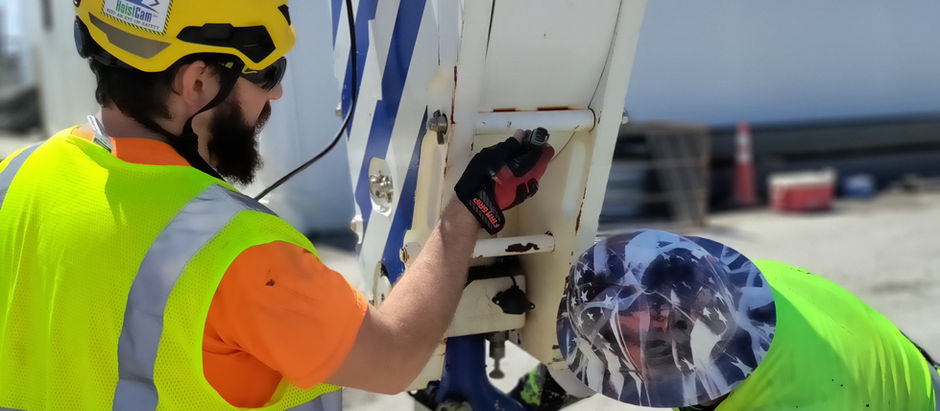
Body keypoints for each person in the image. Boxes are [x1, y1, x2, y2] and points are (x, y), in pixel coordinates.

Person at [0, 1, 553, 409]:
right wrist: (465, 216)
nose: (277, 95)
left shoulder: (17, 178)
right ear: (196, 82)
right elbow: (395, 359)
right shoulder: (236, 252)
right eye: (267, 73)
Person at [513, 229, 939, 410]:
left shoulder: (788, 403)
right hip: (905, 373)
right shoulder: (745, 288)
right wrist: (525, 398)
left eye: (648, 349)